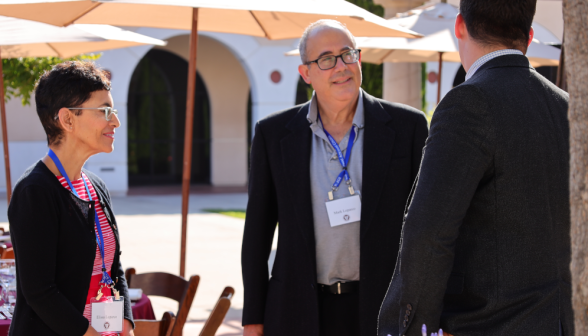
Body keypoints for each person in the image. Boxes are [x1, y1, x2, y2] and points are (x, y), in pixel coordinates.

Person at [378, 1, 572, 335]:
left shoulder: (468, 103)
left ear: (459, 27)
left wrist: (410, 329)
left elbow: (428, 231)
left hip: (487, 324)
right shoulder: (566, 107)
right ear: (529, 35)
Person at [241, 20, 428, 336]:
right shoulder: (273, 135)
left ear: (359, 59)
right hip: (298, 311)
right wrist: (253, 319)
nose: (341, 66)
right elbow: (257, 235)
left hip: (385, 310)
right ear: (306, 73)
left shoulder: (407, 127)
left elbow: (428, 227)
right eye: (326, 59)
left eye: (347, 54)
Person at [8, 61, 134, 336]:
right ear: (67, 120)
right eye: (105, 111)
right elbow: (40, 293)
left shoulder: (96, 186)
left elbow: (114, 268)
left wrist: (125, 326)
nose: (115, 121)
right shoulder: (35, 192)